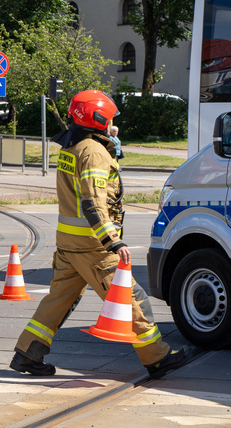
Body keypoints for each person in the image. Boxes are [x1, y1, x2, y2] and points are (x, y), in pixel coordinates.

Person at [10, 90, 192, 379]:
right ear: (98, 118)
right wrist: (113, 240)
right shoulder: (94, 152)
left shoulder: (74, 146)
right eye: (109, 119)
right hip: (94, 245)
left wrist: (109, 143)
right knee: (130, 297)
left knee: (58, 300)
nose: (112, 124)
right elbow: (93, 202)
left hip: (70, 243)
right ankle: (156, 358)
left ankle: (27, 353)